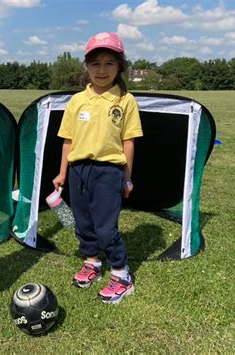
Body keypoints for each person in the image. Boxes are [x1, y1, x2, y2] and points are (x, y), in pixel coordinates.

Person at [52, 32, 143, 304]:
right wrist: (62, 173)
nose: (101, 70)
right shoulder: (77, 101)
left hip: (109, 172)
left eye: (109, 63)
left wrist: (126, 176)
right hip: (78, 170)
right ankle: (92, 262)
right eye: (95, 64)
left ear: (120, 67)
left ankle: (121, 274)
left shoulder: (125, 101)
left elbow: (128, 142)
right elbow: (68, 140)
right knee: (83, 222)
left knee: (105, 227)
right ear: (86, 67)